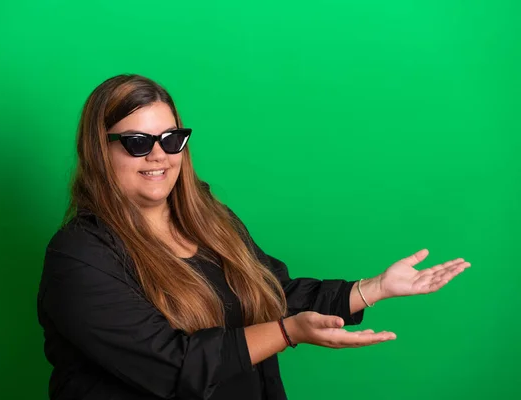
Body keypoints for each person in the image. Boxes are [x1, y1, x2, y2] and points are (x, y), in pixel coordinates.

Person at [36, 74, 470, 400]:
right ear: (97, 149)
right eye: (136, 142)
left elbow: (270, 293)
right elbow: (174, 366)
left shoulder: (209, 219)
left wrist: (373, 289)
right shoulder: (78, 257)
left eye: (172, 139)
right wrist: (287, 333)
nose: (159, 155)